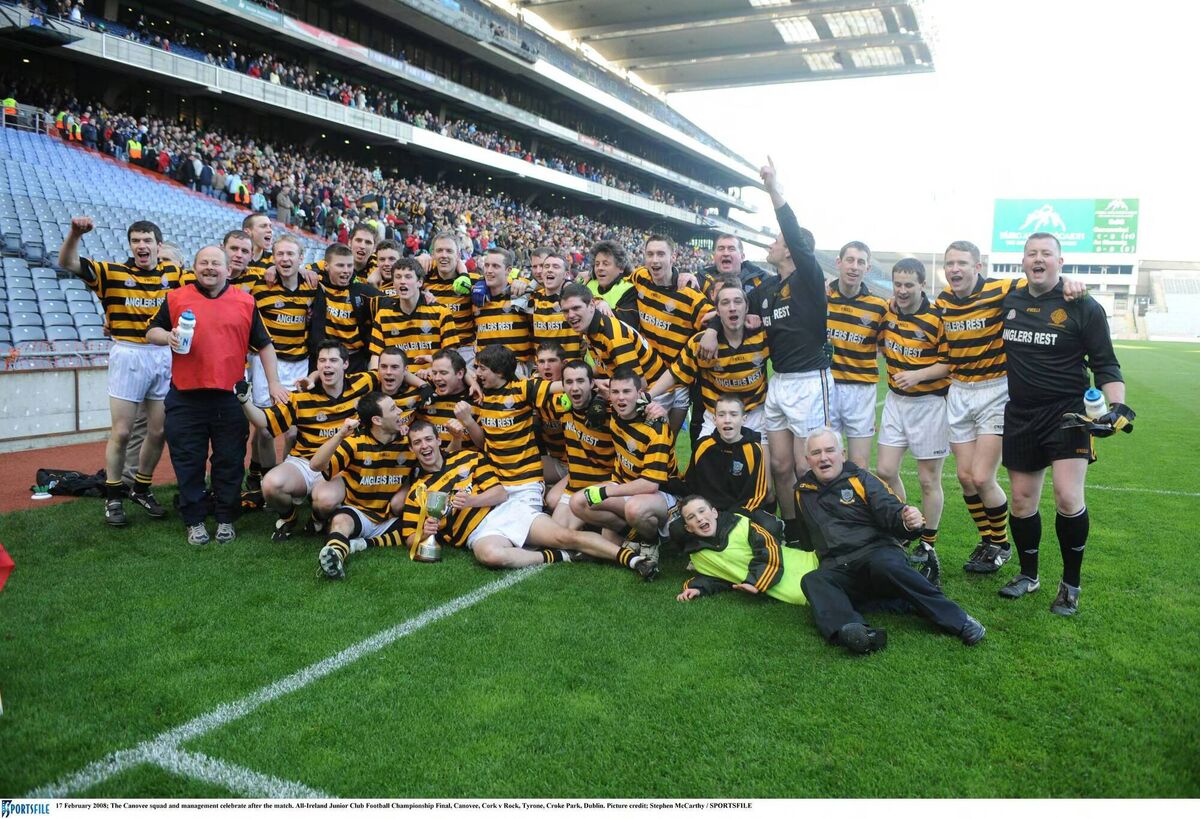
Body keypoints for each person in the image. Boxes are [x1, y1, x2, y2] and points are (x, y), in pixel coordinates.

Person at [998, 233, 1133, 616]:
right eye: (1031, 254)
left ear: (1060, 261)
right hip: (1021, 413)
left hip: (1068, 413)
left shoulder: (1083, 305)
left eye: (1046, 254)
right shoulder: (1008, 299)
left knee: (1067, 497)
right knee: (1023, 501)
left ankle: (1070, 585)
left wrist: (1118, 404)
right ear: (1023, 262)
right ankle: (1028, 575)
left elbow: (1106, 362)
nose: (1038, 259)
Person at [698, 158, 830, 547]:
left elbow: (790, 228)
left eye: (775, 241)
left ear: (790, 249)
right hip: (779, 383)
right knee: (781, 465)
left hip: (810, 380)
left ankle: (822, 535)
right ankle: (791, 529)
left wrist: (773, 187)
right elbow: (729, 303)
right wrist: (709, 327)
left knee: (810, 464)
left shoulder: (808, 278)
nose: (771, 244)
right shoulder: (768, 289)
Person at [373, 422, 659, 578]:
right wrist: (426, 533)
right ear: (412, 449)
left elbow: (499, 493)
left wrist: (470, 501)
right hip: (479, 534)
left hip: (505, 511)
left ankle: (633, 560)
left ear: (437, 440)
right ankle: (556, 557)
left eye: (427, 439)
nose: (424, 446)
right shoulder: (418, 491)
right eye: (417, 443)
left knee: (564, 535)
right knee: (490, 556)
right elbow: (411, 537)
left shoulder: (468, 458)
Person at [793, 428, 986, 654]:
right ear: (808, 460)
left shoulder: (862, 479)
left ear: (842, 454)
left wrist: (908, 521)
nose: (823, 457)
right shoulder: (801, 492)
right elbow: (807, 539)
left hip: (876, 554)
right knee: (813, 580)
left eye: (829, 450)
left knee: (885, 565)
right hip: (839, 568)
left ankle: (959, 620)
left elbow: (891, 510)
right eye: (816, 453)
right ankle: (854, 631)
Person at [147, 245, 288, 545]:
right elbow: (151, 331)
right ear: (194, 267)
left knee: (230, 460)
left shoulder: (245, 302)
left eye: (215, 263)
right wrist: (168, 335)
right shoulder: (176, 297)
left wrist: (274, 383)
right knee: (188, 461)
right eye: (203, 263)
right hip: (185, 396)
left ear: (227, 270)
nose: (209, 268)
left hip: (229, 397)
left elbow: (264, 345)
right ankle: (194, 520)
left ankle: (226, 518)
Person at [59, 216, 179, 526]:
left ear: (158, 246)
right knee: (123, 432)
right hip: (128, 354)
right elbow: (68, 262)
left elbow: (214, 277)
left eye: (147, 240)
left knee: (159, 430)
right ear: (130, 245)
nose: (142, 246)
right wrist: (75, 234)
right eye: (136, 241)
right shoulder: (112, 272)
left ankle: (141, 487)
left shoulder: (175, 275)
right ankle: (114, 495)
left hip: (162, 354)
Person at [240, 341, 376, 539]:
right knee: (270, 485)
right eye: (322, 361)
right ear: (317, 366)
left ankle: (317, 519)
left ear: (345, 364)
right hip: (304, 462)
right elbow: (264, 421)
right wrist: (244, 400)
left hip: (338, 465)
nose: (327, 365)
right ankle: (288, 516)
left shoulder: (363, 383)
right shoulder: (301, 397)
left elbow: (391, 374)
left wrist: (424, 381)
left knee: (326, 501)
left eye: (333, 360)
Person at [874, 258, 950, 571]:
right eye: (898, 284)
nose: (902, 291)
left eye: (909, 285)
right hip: (895, 401)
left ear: (922, 285)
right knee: (886, 470)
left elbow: (950, 362)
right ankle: (908, 524)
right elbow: (878, 343)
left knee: (928, 479)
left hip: (929, 404)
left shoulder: (936, 318)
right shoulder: (887, 312)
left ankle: (928, 542)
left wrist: (918, 375)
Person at [569, 365, 681, 563]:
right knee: (577, 503)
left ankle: (650, 540)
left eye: (627, 392)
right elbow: (584, 388)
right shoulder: (613, 409)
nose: (621, 398)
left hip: (661, 494)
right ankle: (633, 535)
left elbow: (650, 484)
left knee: (634, 509)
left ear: (640, 393)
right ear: (609, 395)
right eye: (616, 392)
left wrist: (606, 492)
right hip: (624, 486)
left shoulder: (655, 426)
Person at [648, 278, 769, 440]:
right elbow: (675, 373)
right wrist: (649, 395)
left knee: (765, 465)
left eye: (738, 302)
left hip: (754, 415)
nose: (732, 308)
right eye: (725, 303)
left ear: (747, 307)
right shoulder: (701, 343)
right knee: (704, 462)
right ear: (717, 312)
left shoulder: (762, 335)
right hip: (716, 417)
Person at [244, 234, 317, 503]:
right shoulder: (260, 285)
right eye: (280, 255)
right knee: (264, 429)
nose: (285, 259)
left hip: (299, 365)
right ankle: (266, 479)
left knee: (295, 430)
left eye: (291, 255)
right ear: (272, 258)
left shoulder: (312, 285)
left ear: (302, 258)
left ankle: (290, 478)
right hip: (266, 364)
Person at [309, 392, 412, 579]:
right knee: (340, 522)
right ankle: (335, 557)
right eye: (393, 409)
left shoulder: (410, 441)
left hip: (391, 517)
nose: (399, 411)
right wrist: (340, 434)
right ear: (377, 420)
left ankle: (362, 544)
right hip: (359, 512)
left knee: (417, 529)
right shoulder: (355, 443)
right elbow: (316, 465)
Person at [452, 345, 561, 512]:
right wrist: (468, 421)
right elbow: (483, 443)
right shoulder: (483, 396)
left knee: (528, 530)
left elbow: (562, 386)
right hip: (496, 484)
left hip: (526, 481)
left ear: (500, 373)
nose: (477, 374)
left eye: (482, 368)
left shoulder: (521, 389)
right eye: (477, 368)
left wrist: (594, 382)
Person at [628, 234, 713, 431]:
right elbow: (616, 280)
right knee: (644, 441)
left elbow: (716, 317)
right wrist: (591, 280)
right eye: (650, 254)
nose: (655, 259)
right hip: (648, 378)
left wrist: (713, 331)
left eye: (660, 254)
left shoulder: (690, 294)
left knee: (666, 446)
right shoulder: (640, 277)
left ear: (672, 257)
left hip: (679, 383)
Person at [675, 495, 816, 604]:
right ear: (688, 528)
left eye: (702, 511)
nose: (699, 518)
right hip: (799, 591)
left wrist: (755, 582)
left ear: (714, 513)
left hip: (811, 563)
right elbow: (720, 577)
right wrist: (697, 588)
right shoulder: (698, 555)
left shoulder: (742, 525)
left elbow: (769, 549)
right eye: (691, 517)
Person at [825, 241, 888, 468]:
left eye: (861, 262)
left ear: (867, 269)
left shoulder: (879, 306)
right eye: (850, 260)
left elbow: (887, 345)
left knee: (858, 465)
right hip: (826, 387)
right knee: (824, 459)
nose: (854, 267)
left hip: (861, 390)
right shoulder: (820, 298)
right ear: (839, 263)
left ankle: (854, 503)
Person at [560, 282, 666, 392]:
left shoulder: (614, 338)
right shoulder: (591, 328)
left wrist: (593, 383)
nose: (571, 315)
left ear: (592, 305)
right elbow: (606, 367)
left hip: (656, 394)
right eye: (565, 311)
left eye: (576, 308)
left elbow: (638, 386)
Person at [548, 359, 615, 531]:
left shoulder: (610, 411)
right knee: (557, 536)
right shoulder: (561, 406)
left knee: (607, 535)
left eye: (580, 381)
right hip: (575, 484)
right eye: (569, 382)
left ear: (592, 383)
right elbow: (529, 389)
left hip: (605, 485)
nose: (575, 388)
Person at [681, 395, 769, 513]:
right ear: (714, 419)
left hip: (741, 514)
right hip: (707, 513)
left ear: (744, 419)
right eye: (721, 415)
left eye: (733, 414)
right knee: (677, 528)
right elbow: (689, 483)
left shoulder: (754, 450)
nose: (727, 420)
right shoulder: (703, 446)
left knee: (770, 526)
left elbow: (757, 496)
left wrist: (731, 519)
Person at [368, 257, 453, 371]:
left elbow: (452, 355)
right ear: (393, 283)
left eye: (408, 277)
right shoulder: (383, 315)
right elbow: (376, 356)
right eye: (398, 277)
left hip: (433, 378)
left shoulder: (441, 312)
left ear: (420, 282)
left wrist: (431, 370)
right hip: (397, 382)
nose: (402, 281)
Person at [308, 243, 380, 372]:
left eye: (349, 265)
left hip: (355, 361)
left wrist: (424, 294)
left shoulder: (362, 291)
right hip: (323, 360)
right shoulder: (315, 285)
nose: (346, 270)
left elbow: (394, 303)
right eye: (340, 265)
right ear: (326, 266)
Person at [471, 247, 533, 370]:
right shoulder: (475, 296)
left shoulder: (522, 295)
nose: (489, 270)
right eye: (487, 265)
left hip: (515, 369)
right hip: (483, 368)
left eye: (495, 266)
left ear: (508, 270)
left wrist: (523, 282)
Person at [422, 231, 477, 366]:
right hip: (432, 347)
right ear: (433, 255)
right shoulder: (422, 280)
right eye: (439, 251)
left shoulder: (473, 282)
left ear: (458, 255)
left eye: (449, 251)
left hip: (463, 350)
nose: (444, 255)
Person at [415, 348, 475, 451]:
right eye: (434, 373)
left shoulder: (475, 396)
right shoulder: (426, 393)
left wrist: (468, 421)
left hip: (467, 464)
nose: (437, 378)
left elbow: (483, 444)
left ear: (460, 374)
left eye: (443, 373)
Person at [585, 239, 638, 327]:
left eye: (605, 264)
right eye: (597, 264)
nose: (599, 268)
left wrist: (598, 308)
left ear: (621, 268)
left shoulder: (629, 290)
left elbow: (626, 324)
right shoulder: (589, 283)